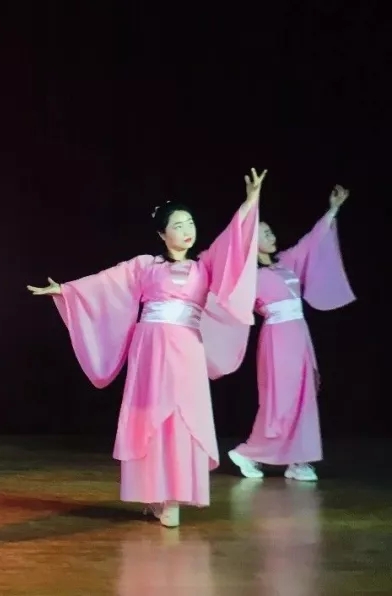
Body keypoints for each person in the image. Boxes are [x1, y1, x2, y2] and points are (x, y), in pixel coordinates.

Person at [27, 169, 267, 527]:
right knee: (152, 418)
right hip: (152, 349)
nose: (187, 230)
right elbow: (106, 284)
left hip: (186, 348)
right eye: (178, 225)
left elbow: (232, 243)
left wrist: (249, 203)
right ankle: (155, 493)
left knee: (183, 418)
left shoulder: (204, 266)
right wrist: (65, 290)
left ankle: (176, 495)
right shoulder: (145, 266)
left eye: (190, 223)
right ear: (162, 234)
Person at [227, 185, 355, 482]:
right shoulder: (248, 276)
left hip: (299, 335)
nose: (271, 235)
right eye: (264, 233)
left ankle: (298, 460)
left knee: (304, 396)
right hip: (277, 340)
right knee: (281, 400)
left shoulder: (286, 262)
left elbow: (311, 242)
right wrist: (250, 203)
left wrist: (333, 209)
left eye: (270, 231)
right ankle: (249, 453)